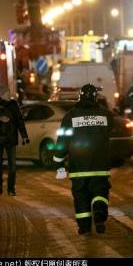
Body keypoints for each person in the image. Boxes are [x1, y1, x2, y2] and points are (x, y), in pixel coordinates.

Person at [53, 84, 114, 235]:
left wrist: (59, 161)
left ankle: (84, 227)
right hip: (100, 165)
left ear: (80, 97)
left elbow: (63, 140)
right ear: (95, 97)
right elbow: (110, 132)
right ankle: (99, 215)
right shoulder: (106, 115)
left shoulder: (71, 116)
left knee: (81, 198)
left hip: (79, 167)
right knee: (100, 192)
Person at [0, 84, 29, 196]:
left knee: (12, 166)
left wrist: (24, 136)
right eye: (8, 93)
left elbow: (20, 121)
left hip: (11, 139)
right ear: (2, 94)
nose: (10, 95)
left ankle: (11, 189)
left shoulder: (14, 104)